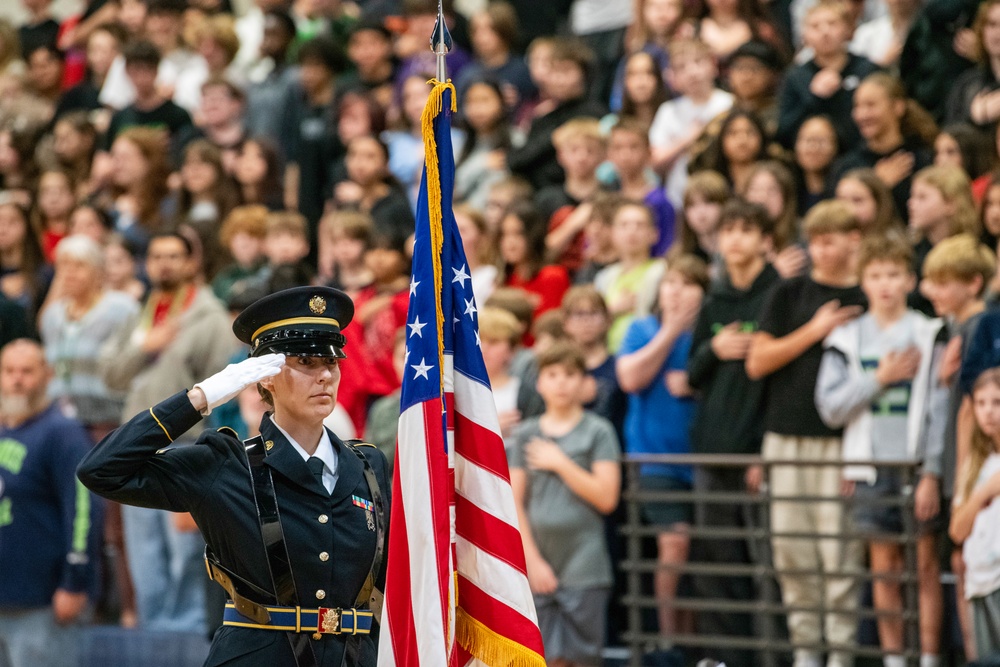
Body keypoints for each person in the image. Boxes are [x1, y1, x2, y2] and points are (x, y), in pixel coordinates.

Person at [79, 285, 389, 666]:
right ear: (266, 377)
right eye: (306, 362)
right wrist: (199, 398)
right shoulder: (226, 465)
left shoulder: (369, 466)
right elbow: (101, 470)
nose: (325, 375)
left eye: (331, 362)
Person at [815, 235, 948, 667]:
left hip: (914, 468)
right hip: (869, 469)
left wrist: (931, 471)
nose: (885, 284)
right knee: (884, 569)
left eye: (893, 274)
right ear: (863, 281)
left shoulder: (929, 333)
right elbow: (831, 406)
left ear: (910, 280)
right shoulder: (848, 336)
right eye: (875, 275)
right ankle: (894, 658)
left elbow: (938, 407)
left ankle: (928, 655)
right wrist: (880, 378)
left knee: (925, 567)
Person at [745, 200, 867, 667]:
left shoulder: (865, 294)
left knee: (840, 556)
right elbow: (757, 362)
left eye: (830, 239)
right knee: (791, 553)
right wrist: (815, 330)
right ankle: (805, 654)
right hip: (785, 439)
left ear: (853, 239)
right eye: (813, 240)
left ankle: (841, 655)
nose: (819, 249)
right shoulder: (788, 293)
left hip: (844, 443)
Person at [97, 232, 238, 633]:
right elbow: (108, 374)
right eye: (157, 255)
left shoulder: (210, 316)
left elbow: (222, 386)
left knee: (185, 547)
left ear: (192, 262)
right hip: (132, 439)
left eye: (174, 256)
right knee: (143, 548)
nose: (164, 264)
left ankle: (190, 631)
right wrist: (146, 346)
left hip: (186, 442)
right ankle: (154, 630)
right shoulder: (136, 314)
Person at [686, 200, 781, 667]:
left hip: (759, 453)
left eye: (747, 229)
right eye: (729, 230)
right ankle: (727, 659)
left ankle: (770, 658)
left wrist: (765, 451)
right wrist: (713, 347)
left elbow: (786, 383)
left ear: (766, 238)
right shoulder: (714, 300)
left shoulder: (780, 295)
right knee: (718, 565)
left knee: (767, 567)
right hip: (712, 449)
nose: (737, 239)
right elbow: (692, 375)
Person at [509, 341, 621, 667]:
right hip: (538, 559)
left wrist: (560, 463)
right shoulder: (527, 433)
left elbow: (606, 497)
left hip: (584, 563)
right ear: (540, 382)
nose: (561, 382)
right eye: (552, 374)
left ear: (584, 382)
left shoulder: (599, 431)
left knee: (582, 658)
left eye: (570, 374)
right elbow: (515, 501)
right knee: (541, 656)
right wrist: (531, 561)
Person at [616, 255, 708, 640]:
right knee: (675, 542)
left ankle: (692, 641)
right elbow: (630, 378)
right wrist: (669, 332)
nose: (677, 291)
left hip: (702, 463)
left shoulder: (709, 336)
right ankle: (667, 640)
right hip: (654, 462)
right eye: (670, 283)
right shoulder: (641, 329)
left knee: (700, 556)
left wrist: (694, 384)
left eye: (687, 284)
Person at [0, 339, 102, 667]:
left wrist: (74, 581)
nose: (17, 379)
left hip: (43, 601)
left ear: (47, 375)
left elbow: (84, 509)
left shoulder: (63, 433)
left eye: (27, 371)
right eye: (9, 371)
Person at [951, 367, 1000, 662]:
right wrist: (985, 492)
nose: (988, 412)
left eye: (996, 402)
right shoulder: (975, 465)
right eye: (981, 403)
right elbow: (957, 530)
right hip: (978, 581)